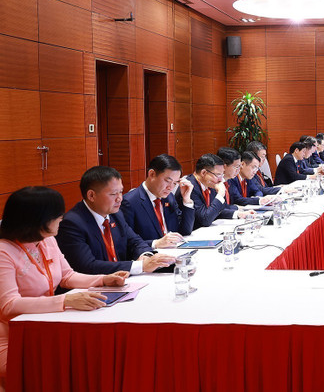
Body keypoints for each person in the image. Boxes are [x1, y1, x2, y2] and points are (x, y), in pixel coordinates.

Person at [0, 187, 129, 380]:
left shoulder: (47, 240)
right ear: (38, 219)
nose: (62, 217)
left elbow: (67, 276)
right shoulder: (4, 251)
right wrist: (65, 301)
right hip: (11, 336)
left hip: (42, 327)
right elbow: (9, 305)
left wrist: (103, 279)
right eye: (57, 215)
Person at [56, 166, 176, 274]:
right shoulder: (72, 224)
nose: (120, 199)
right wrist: (140, 266)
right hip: (93, 286)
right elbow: (87, 266)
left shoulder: (116, 214)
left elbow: (135, 241)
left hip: (122, 281)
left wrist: (146, 256)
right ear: (91, 195)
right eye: (113, 194)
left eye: (121, 192)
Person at [120, 154, 194, 249]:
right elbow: (126, 243)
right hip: (150, 255)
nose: (170, 188)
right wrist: (155, 243)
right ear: (152, 174)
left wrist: (187, 200)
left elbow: (185, 231)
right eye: (167, 181)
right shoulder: (130, 202)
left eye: (175, 183)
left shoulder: (169, 197)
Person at [182, 154, 248, 229]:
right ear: (203, 173)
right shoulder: (190, 187)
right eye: (218, 175)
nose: (221, 179)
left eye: (222, 175)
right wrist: (220, 194)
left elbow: (216, 210)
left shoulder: (209, 183)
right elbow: (205, 220)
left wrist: (238, 214)